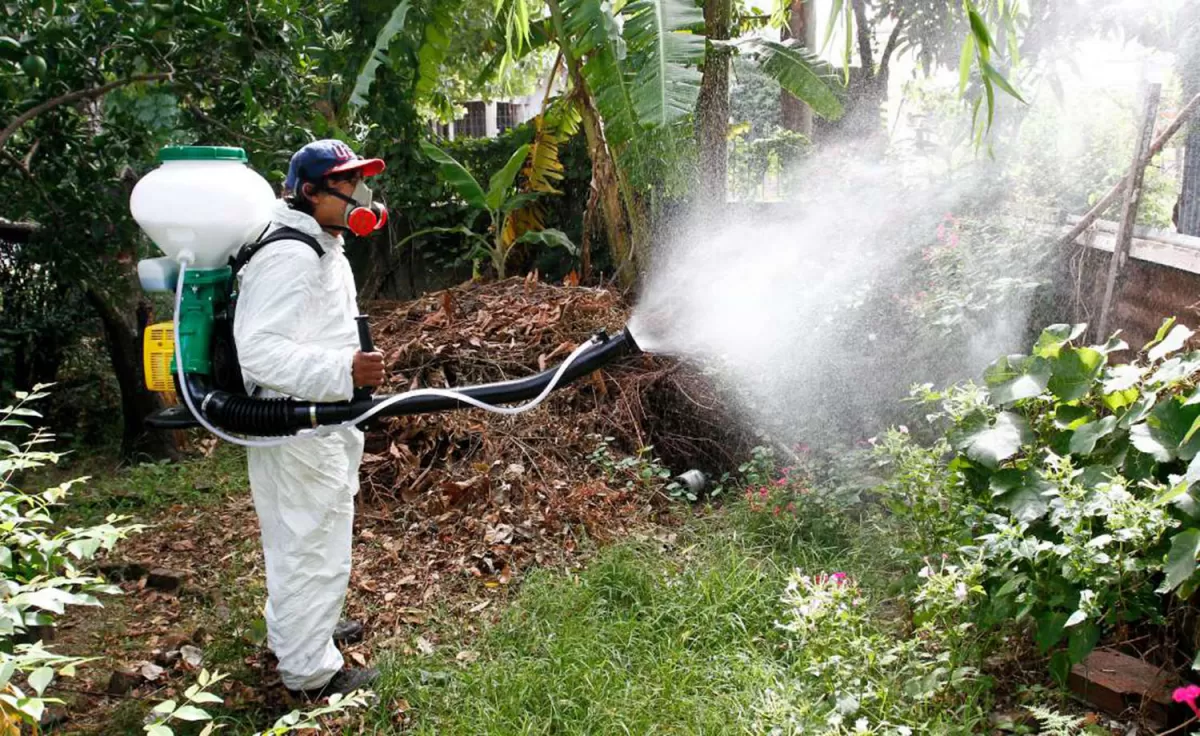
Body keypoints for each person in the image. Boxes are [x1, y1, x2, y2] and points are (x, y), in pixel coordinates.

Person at [233, 139, 388, 698]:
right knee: (313, 541)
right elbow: (260, 351)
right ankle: (311, 674)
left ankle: (302, 631)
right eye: (346, 185)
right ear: (309, 192)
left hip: (315, 421)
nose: (358, 195)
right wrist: (343, 367)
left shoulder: (319, 241)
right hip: (299, 425)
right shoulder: (291, 255)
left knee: (299, 536)